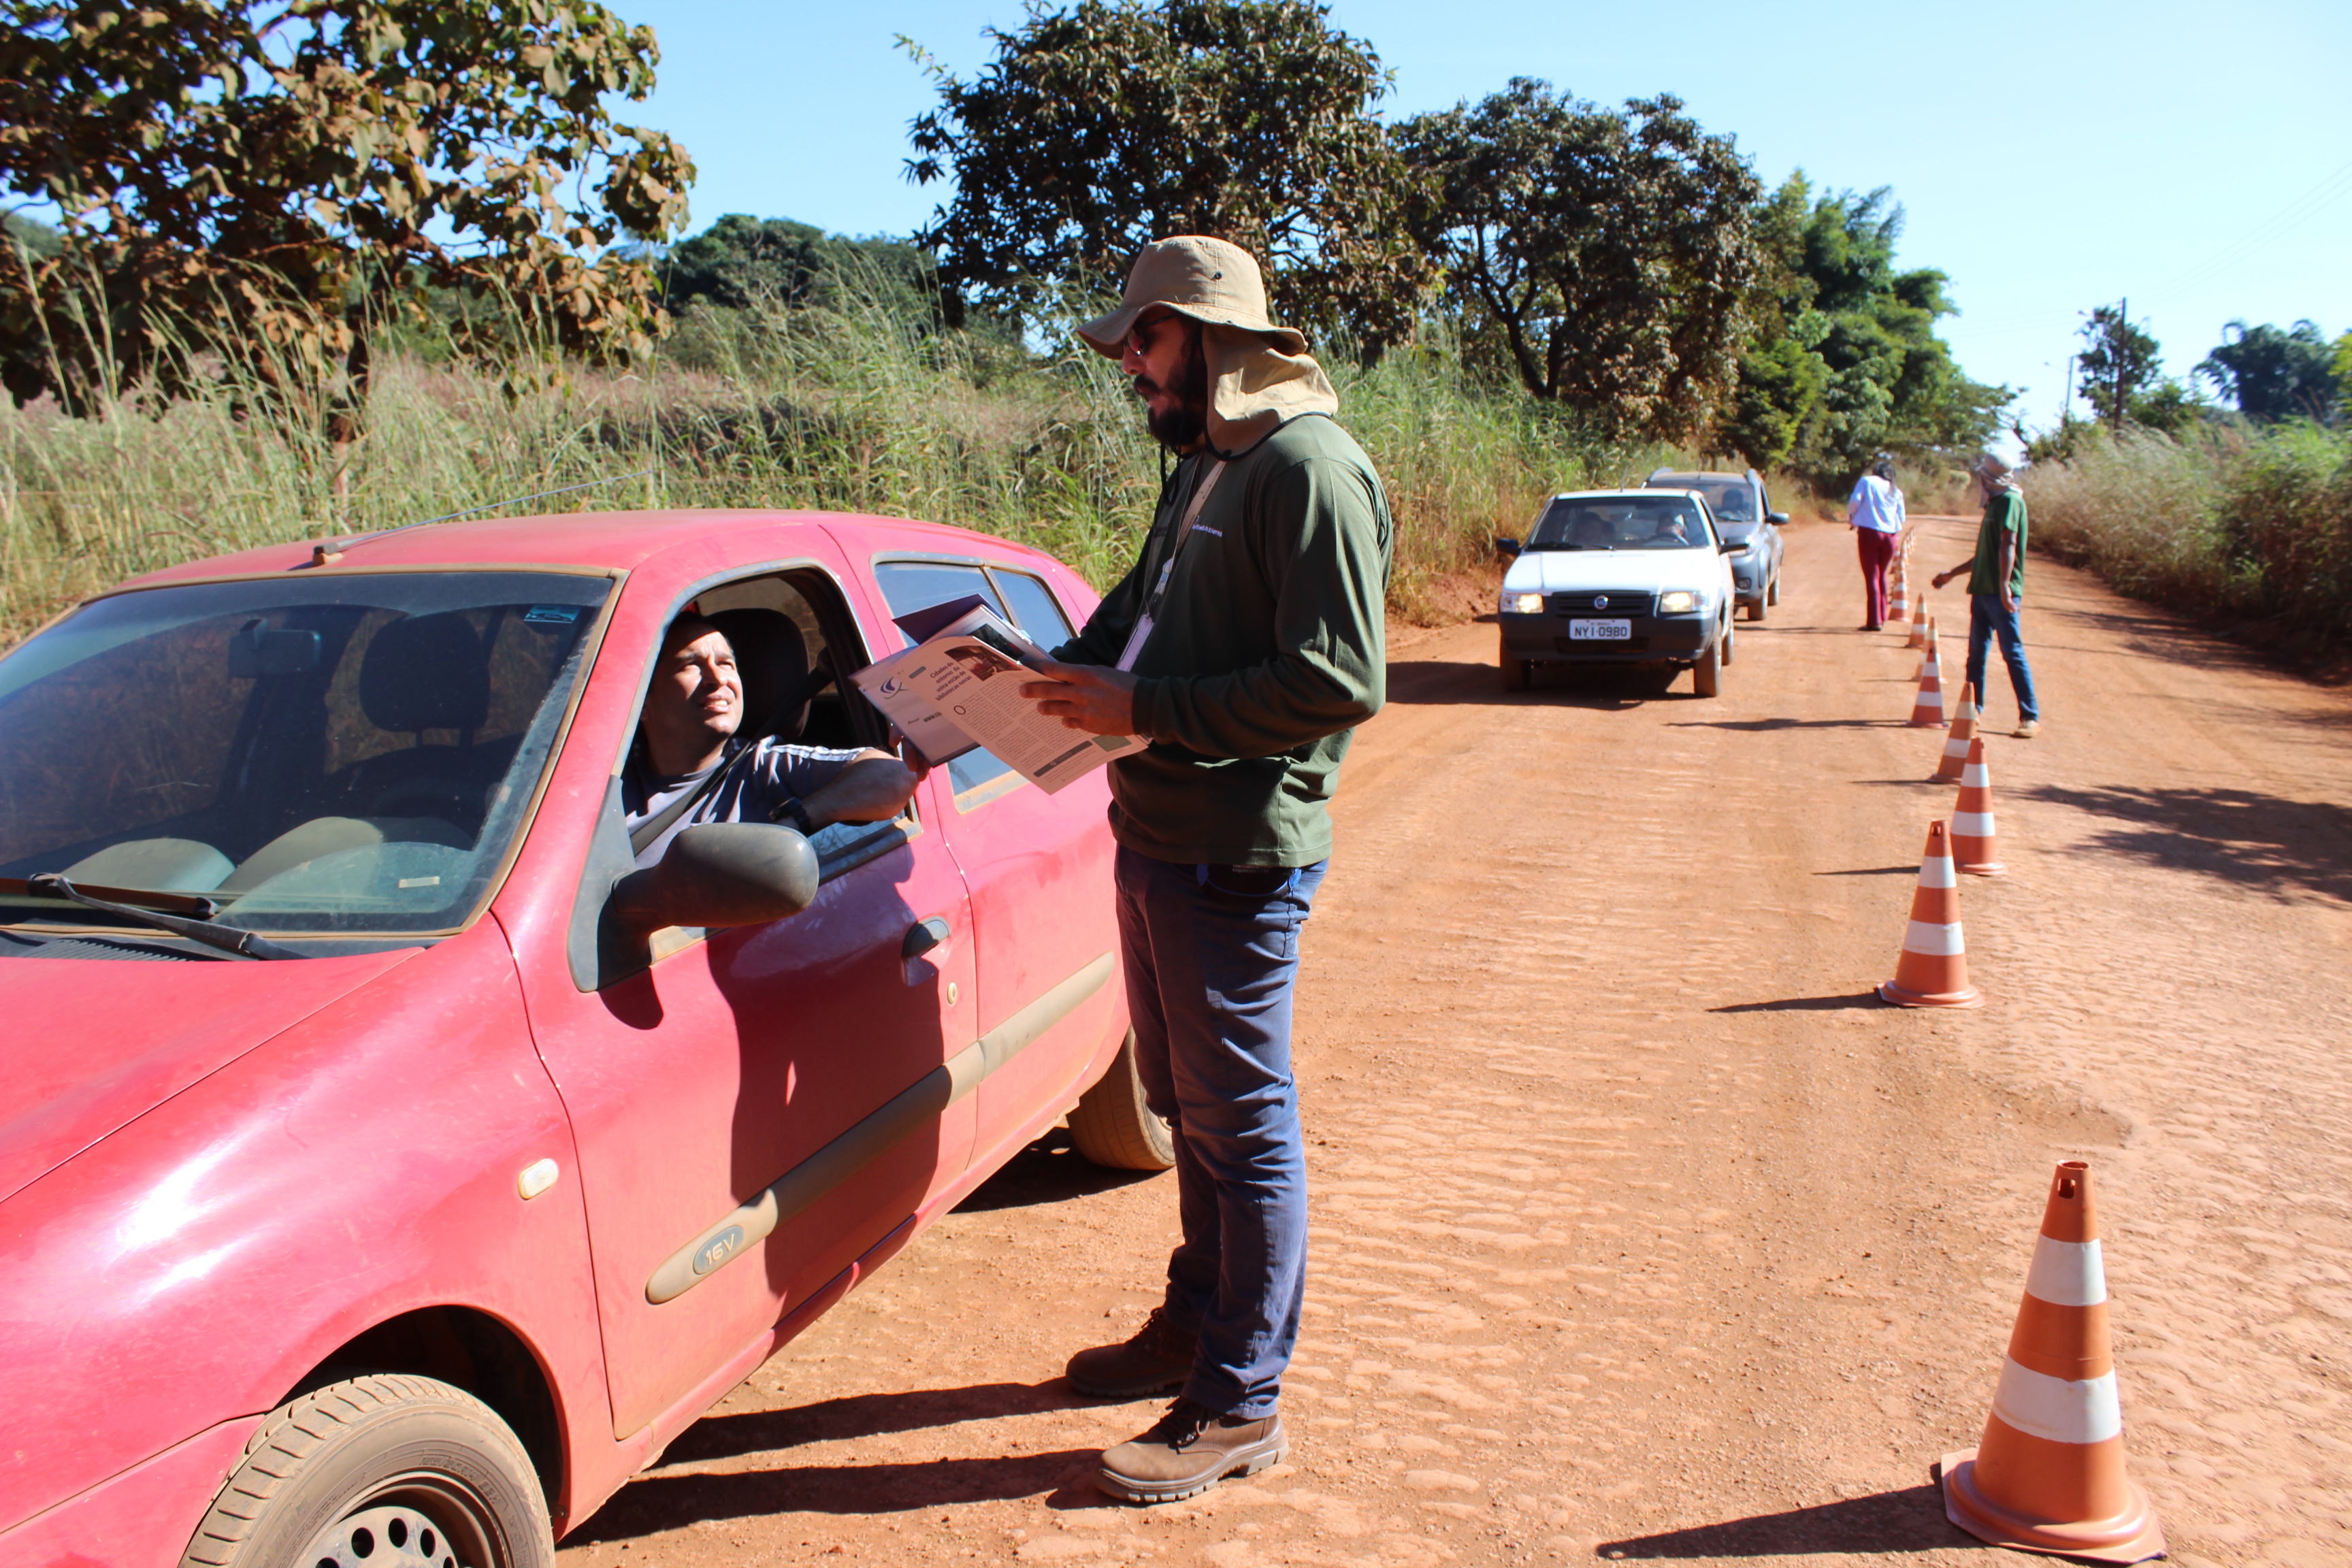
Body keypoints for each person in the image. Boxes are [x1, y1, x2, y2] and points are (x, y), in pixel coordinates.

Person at [1015, 236, 1392, 1504]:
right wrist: (1032, 671)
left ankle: (1239, 1401)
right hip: (1154, 834)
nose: (1131, 367)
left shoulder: (1308, 467)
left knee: (1245, 1125)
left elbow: (1341, 680)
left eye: (1145, 341)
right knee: (1185, 1107)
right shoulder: (1206, 466)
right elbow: (1144, 604)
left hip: (1237, 854)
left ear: (1209, 335)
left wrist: (1144, 705)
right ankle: (1195, 1316)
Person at [624, 612, 924, 865]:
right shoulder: (606, 783)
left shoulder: (765, 767)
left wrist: (794, 822)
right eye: (690, 664)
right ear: (642, 701)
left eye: (727, 663)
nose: (718, 678)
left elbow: (894, 777)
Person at [1931, 454, 2041, 738]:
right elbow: (1984, 555)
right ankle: (1973, 709)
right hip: (1981, 591)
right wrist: (1952, 574)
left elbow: (2009, 542)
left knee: (2012, 652)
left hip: (1999, 593)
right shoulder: (1994, 504)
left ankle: (2029, 716)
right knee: (1976, 654)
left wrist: (2005, 586)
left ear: (1987, 478)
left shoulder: (2010, 502)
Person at [1847, 455, 1906, 630]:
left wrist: (1852, 517)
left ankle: (1874, 621)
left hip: (1869, 533)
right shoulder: (1896, 490)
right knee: (1882, 575)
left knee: (1872, 576)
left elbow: (1855, 502)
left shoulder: (1867, 481)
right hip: (1891, 536)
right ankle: (1882, 615)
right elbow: (1901, 516)